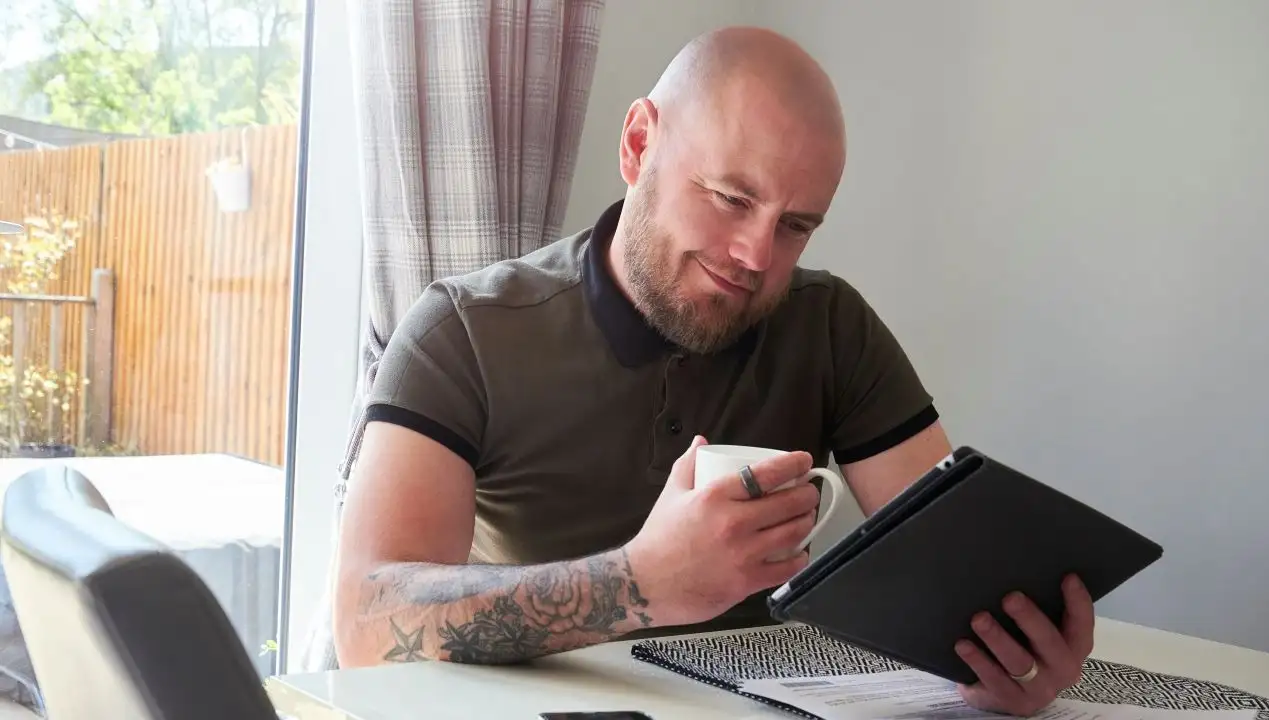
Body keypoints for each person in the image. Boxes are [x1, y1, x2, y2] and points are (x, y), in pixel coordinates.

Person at [331, 26, 1094, 716]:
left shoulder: (830, 328)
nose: (757, 257)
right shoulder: (462, 331)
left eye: (795, 226)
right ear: (637, 146)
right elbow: (366, 623)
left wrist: (1010, 658)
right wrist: (637, 583)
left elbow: (957, 572)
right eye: (732, 199)